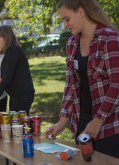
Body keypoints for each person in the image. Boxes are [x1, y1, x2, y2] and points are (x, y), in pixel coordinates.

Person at [45, 0, 119, 159]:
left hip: (109, 125)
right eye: (63, 21)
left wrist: (98, 120)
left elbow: (117, 84)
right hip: (82, 122)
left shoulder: (109, 38)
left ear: (80, 12)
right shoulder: (71, 43)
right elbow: (70, 85)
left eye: (67, 19)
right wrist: (63, 120)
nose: (65, 25)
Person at [0, 25, 35, 115]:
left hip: (22, 94)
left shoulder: (13, 51)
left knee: (19, 125)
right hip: (17, 94)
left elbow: (7, 78)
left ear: (6, 38)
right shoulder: (10, 51)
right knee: (17, 124)